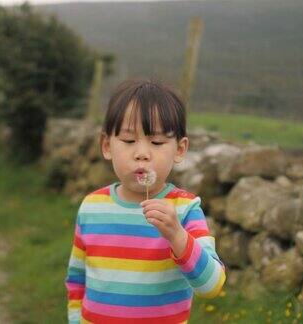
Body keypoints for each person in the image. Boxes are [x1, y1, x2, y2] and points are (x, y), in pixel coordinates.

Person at [65, 79, 226, 323]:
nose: (142, 153)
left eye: (157, 142)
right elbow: (77, 278)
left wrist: (177, 236)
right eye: (129, 141)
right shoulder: (91, 206)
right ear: (107, 146)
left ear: (180, 150)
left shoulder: (184, 210)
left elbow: (212, 286)